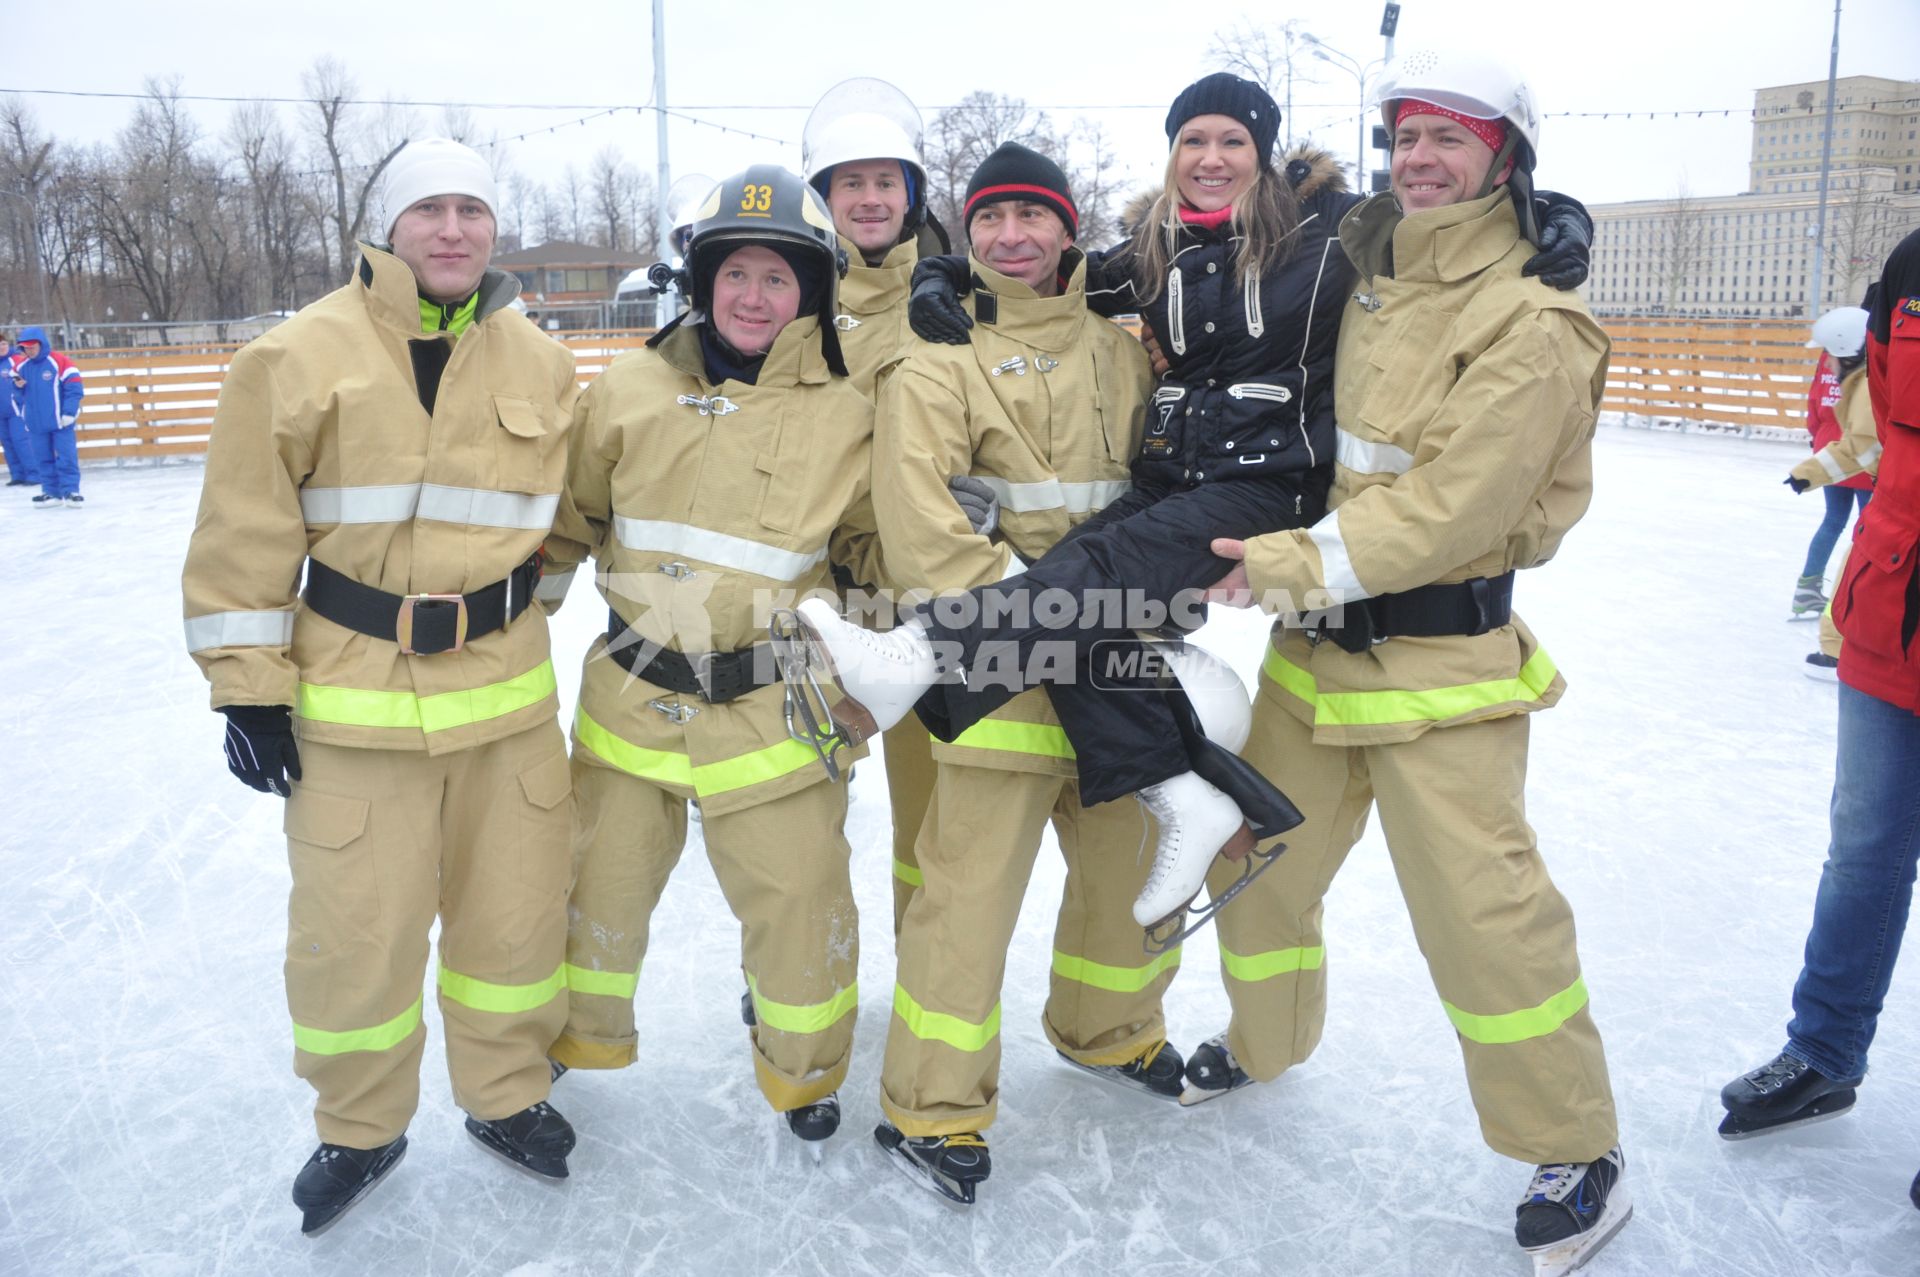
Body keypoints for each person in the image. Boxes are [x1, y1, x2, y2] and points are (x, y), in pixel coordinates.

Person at [797, 71, 1593, 935]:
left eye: (1232, 142)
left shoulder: (1327, 234)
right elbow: (1043, 260)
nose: (1210, 159)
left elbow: (1442, 205)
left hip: (1267, 481)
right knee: (1077, 592)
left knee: (1090, 573)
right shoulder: (1154, 250)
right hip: (1182, 474)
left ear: (1265, 156)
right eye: (1193, 142)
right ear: (1173, 156)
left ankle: (912, 660)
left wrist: (1555, 214)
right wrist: (942, 273)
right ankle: (1183, 788)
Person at [1198, 49, 1628, 1274]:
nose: (1421, 160)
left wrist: (1275, 563)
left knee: (1483, 921)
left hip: (1442, 664)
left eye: (1451, 138)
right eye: (1406, 138)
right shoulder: (1369, 272)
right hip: (1314, 659)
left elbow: (1447, 507)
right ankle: (1264, 1042)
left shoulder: (1535, 323)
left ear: (1505, 157)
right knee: (1259, 869)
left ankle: (1575, 1144)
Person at [181, 138, 583, 1235]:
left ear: (494, 228)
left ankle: (506, 1094)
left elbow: (566, 521)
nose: (452, 229)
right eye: (429, 210)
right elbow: (243, 533)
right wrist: (247, 687)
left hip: (507, 705)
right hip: (351, 705)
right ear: (385, 227)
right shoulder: (295, 357)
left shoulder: (541, 363)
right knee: (355, 938)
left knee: (513, 925)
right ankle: (360, 1125)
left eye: (473, 209)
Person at [860, 141, 1203, 1203]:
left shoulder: (1123, 353)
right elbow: (928, 539)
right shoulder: (936, 361)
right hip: (1004, 680)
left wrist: (1124, 620)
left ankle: (1113, 1029)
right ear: (968, 237)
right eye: (991, 220)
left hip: (1120, 667)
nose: (1012, 236)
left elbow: (1166, 500)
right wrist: (1066, 627)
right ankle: (936, 1107)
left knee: (1127, 874)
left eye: (1033, 216)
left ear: (1067, 231)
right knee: (964, 905)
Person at [541, 166, 884, 1153]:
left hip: (776, 712)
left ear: (810, 294)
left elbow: (871, 556)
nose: (753, 296)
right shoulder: (630, 387)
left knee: (800, 900)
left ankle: (803, 1067)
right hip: (630, 703)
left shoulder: (849, 411)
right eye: (736, 272)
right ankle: (574, 1033)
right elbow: (571, 521)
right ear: (703, 280)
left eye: (779, 278)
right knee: (594, 888)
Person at [1721, 224, 1920, 1215]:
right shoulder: (1911, 272)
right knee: (1863, 853)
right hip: (1892, 621)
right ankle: (1824, 1053)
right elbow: (1884, 428)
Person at [800, 76, 955, 934]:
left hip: (924, 599)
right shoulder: (793, 299)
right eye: (848, 183)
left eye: (884, 182)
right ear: (822, 197)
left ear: (912, 195)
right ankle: (786, 965)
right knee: (798, 801)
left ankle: (922, 965)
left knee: (931, 812)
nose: (868, 199)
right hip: (816, 591)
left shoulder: (952, 298)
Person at [1788, 305, 1876, 620]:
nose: (1826, 359)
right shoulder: (1871, 372)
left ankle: (1809, 589)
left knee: (1834, 522)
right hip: (1857, 457)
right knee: (1868, 533)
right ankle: (1857, 600)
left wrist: (1817, 441)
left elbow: (1814, 404)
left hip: (1834, 451)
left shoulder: (1836, 365)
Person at [11, 325, 83, 507]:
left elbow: (74, 389)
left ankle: (71, 491)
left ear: (41, 344)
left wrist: (69, 412)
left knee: (66, 457)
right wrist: (19, 390)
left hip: (60, 422)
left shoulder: (60, 362)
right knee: (42, 459)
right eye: (25, 348)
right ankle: (51, 493)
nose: (29, 351)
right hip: (36, 424)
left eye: (32, 347)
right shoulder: (21, 367)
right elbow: (16, 396)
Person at [0, 333, 34, 488]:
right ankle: (17, 474)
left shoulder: (17, 360)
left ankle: (34, 474)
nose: (2, 347)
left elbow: (28, 380)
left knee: (21, 442)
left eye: (4, 344)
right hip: (1, 413)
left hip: (16, 411)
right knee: (7, 443)